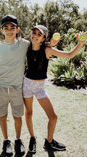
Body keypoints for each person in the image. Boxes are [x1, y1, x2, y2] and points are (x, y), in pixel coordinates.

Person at [0, 15, 58, 156]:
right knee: (2, 116)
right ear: (2, 30)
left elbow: (39, 43)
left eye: (12, 28)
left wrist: (51, 43)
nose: (9, 30)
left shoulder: (24, 44)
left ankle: (18, 140)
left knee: (17, 117)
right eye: (6, 28)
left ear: (17, 29)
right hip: (0, 88)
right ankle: (6, 141)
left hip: (17, 87)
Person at [22, 25, 86, 154]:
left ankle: (49, 142)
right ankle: (32, 138)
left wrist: (81, 43)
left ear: (43, 38)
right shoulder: (26, 47)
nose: (35, 35)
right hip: (27, 85)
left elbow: (69, 54)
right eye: (33, 32)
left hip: (40, 88)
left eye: (39, 34)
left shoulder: (47, 50)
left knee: (53, 117)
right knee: (28, 113)